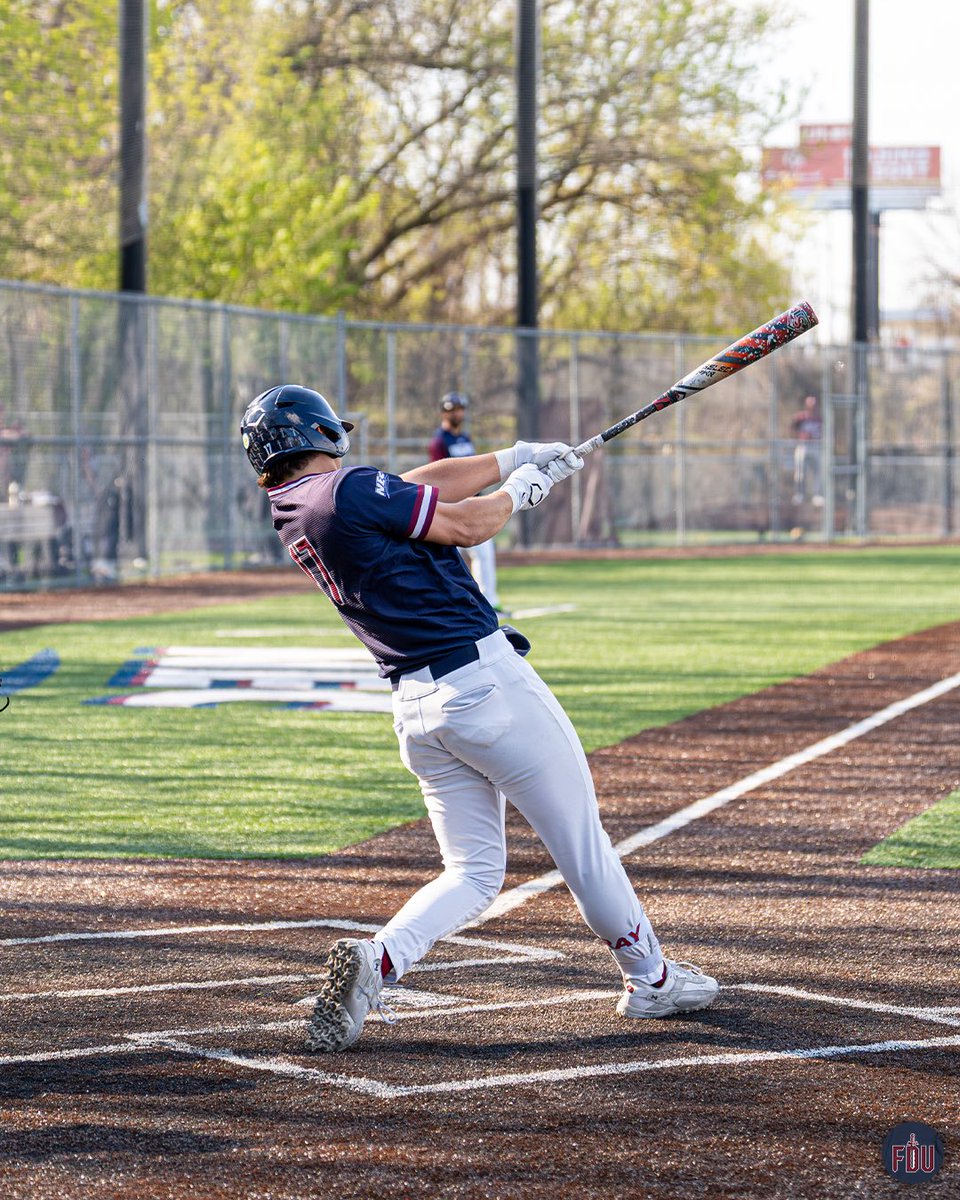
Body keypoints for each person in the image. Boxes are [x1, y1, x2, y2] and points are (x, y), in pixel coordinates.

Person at [240, 384, 719, 1054]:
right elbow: (466, 526)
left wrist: (515, 456)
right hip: (486, 689)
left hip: (418, 711)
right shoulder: (344, 492)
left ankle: (379, 959)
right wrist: (522, 490)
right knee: (581, 845)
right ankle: (652, 979)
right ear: (320, 434)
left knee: (471, 872)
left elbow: (416, 484)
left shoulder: (298, 508)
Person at [428, 392, 501, 608]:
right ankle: (444, 603)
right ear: (444, 413)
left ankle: (489, 602)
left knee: (484, 552)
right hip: (452, 506)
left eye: (460, 409)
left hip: (474, 502)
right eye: (453, 410)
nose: (457, 414)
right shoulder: (439, 441)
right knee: (448, 558)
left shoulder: (465, 438)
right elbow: (440, 475)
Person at [790, 394, 823, 506]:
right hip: (803, 446)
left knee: (817, 472)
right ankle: (799, 494)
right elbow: (792, 429)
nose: (812, 408)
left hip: (815, 447)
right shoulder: (800, 417)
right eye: (810, 405)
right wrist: (799, 437)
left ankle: (816, 495)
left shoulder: (818, 419)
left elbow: (823, 432)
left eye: (814, 405)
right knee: (800, 472)